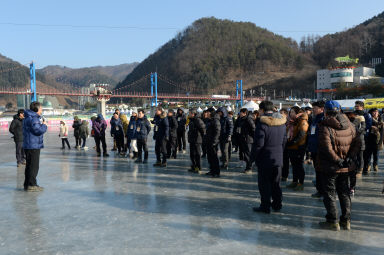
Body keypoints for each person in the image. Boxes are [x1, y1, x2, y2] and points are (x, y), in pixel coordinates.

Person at [317, 100, 358, 231]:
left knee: (329, 193)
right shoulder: (350, 125)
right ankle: (346, 221)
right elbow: (357, 143)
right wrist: (349, 157)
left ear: (325, 111)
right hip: (346, 165)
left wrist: (337, 160)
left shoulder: (325, 126)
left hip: (330, 166)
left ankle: (332, 221)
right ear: (339, 110)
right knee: (344, 193)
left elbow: (326, 148)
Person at [250, 101, 287, 214]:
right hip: (278, 158)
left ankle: (265, 206)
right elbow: (284, 141)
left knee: (264, 183)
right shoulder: (282, 123)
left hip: (265, 158)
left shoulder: (262, 124)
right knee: (276, 183)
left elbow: (259, 144)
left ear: (262, 110)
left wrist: (252, 158)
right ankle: (277, 204)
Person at [22, 101, 47, 192]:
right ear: (36, 109)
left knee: (29, 165)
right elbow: (37, 131)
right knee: (34, 166)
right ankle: (32, 184)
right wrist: (44, 126)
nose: (41, 110)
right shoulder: (34, 118)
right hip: (33, 145)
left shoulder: (28, 117)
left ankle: (27, 184)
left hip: (29, 144)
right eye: (41, 109)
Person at [285, 106, 309, 191]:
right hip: (291, 146)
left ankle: (300, 183)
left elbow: (302, 134)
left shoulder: (302, 121)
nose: (291, 114)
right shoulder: (291, 122)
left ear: (297, 113)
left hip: (299, 146)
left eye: (293, 112)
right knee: (294, 165)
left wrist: (292, 142)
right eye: (290, 112)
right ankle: (294, 181)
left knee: (299, 165)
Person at [307, 101, 325, 198]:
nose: (313, 109)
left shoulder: (322, 119)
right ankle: (319, 190)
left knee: (320, 170)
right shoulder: (315, 119)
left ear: (321, 109)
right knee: (317, 170)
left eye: (315, 108)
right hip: (314, 148)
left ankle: (322, 190)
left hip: (319, 149)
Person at [345, 111, 365, 195]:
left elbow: (358, 141)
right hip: (345, 151)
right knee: (347, 171)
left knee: (352, 170)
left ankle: (352, 187)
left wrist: (353, 153)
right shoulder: (342, 126)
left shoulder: (354, 126)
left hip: (351, 152)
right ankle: (349, 187)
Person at [364, 108, 383, 173]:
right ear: (371, 113)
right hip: (369, 139)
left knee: (376, 155)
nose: (375, 113)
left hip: (378, 140)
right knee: (368, 154)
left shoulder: (381, 120)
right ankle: (368, 166)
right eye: (374, 112)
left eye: (376, 112)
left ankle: (375, 165)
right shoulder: (369, 119)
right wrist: (371, 127)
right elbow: (365, 127)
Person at [354, 101, 370, 176]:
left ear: (362, 107)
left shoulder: (366, 115)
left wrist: (357, 132)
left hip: (362, 137)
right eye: (355, 106)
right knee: (354, 155)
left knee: (361, 156)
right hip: (353, 139)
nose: (356, 107)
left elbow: (365, 126)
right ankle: (355, 168)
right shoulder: (353, 114)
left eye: (358, 106)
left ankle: (361, 170)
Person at [237, 108, 256, 173]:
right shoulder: (242, 119)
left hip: (248, 139)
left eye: (241, 112)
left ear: (244, 113)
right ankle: (248, 167)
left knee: (248, 154)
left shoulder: (248, 119)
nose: (240, 114)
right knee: (246, 154)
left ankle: (249, 168)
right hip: (243, 138)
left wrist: (251, 136)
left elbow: (253, 128)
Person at [187, 109, 206, 173]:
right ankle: (194, 166)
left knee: (197, 154)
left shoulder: (198, 120)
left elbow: (203, 129)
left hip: (197, 140)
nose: (188, 114)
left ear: (193, 114)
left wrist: (203, 138)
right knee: (192, 154)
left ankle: (198, 167)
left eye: (189, 113)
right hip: (192, 139)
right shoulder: (191, 120)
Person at [205, 108, 221, 177]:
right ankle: (212, 170)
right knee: (210, 157)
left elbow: (217, 131)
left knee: (214, 157)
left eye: (207, 112)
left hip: (213, 142)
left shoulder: (215, 120)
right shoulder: (210, 120)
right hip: (208, 141)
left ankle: (216, 172)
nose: (206, 114)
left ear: (211, 113)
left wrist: (214, 141)